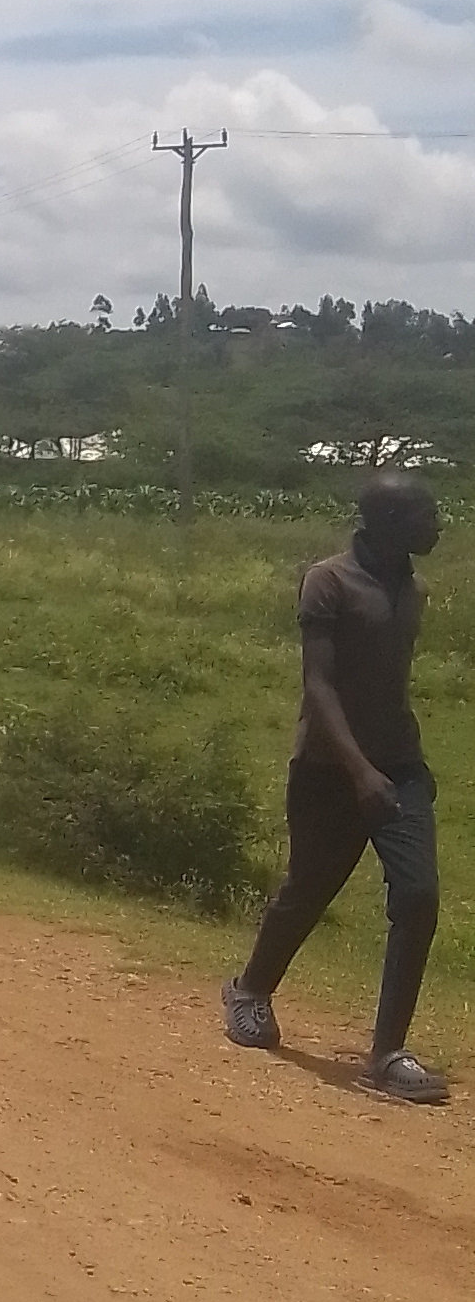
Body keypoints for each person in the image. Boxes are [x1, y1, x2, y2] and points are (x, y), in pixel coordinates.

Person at [223, 471, 448, 1102]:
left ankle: (388, 1053)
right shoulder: (328, 581)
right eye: (424, 513)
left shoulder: (413, 589)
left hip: (399, 767)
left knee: (420, 894)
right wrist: (359, 771)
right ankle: (249, 991)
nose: (437, 524)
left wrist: (405, 762)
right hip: (330, 769)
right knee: (309, 889)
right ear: (384, 522)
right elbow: (318, 688)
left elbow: (389, 686)